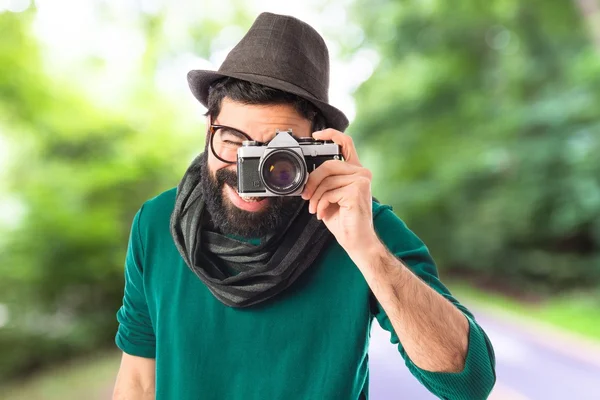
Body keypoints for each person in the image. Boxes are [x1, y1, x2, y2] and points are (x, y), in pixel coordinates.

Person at [112, 12, 496, 400]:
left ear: (316, 148)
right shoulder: (156, 223)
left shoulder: (360, 224)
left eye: (275, 152)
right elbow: (139, 381)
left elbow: (469, 384)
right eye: (233, 139)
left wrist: (366, 250)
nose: (250, 172)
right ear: (209, 128)